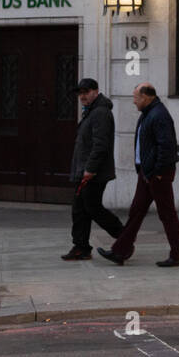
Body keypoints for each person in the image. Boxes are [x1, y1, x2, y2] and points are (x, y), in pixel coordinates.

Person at [99, 83, 179, 267]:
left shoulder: (159, 115)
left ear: (146, 97)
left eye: (136, 98)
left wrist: (159, 172)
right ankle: (120, 251)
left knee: (167, 214)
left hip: (157, 174)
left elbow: (167, 146)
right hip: (147, 173)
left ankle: (178, 254)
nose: (133, 102)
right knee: (136, 211)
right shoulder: (148, 114)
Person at [62, 78, 124, 261]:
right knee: (80, 209)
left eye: (86, 92)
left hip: (94, 173)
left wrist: (90, 169)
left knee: (92, 207)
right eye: (80, 93)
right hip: (86, 170)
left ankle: (124, 237)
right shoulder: (91, 112)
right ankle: (81, 246)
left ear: (96, 91)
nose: (82, 96)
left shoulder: (100, 113)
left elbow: (100, 145)